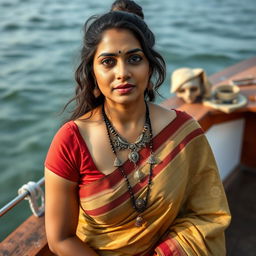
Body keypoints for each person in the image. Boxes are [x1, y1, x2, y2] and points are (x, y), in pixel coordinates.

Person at [44, 4, 231, 256]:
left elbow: (207, 213)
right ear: (93, 73)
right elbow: (60, 239)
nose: (122, 73)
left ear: (150, 67)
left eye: (134, 59)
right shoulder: (71, 141)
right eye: (108, 62)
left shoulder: (183, 130)